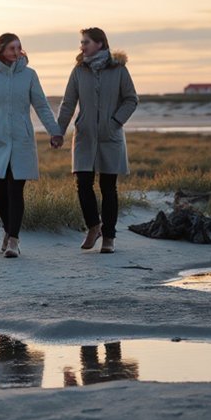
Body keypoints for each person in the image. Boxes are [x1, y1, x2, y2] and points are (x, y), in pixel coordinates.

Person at [0, 33, 63, 258]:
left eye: (18, 47)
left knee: (15, 190)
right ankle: (7, 230)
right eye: (11, 48)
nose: (16, 52)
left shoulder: (29, 75)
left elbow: (41, 106)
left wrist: (55, 131)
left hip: (22, 141)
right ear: (0, 50)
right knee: (0, 193)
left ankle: (13, 240)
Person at [57, 27, 138, 254]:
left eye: (86, 42)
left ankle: (109, 236)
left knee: (108, 187)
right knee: (83, 184)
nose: (82, 46)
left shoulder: (119, 69)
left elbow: (131, 99)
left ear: (100, 43)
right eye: (82, 42)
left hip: (110, 136)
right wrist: (58, 132)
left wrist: (115, 122)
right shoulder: (78, 70)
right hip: (85, 137)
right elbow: (68, 103)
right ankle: (94, 227)